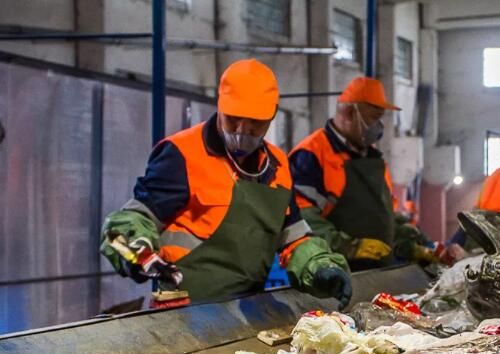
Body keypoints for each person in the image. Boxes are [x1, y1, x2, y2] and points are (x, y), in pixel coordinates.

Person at [99, 59, 352, 308]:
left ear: (272, 116)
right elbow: (134, 219)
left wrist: (319, 267)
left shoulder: (278, 165)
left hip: (249, 310)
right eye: (233, 119)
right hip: (184, 312)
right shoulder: (181, 154)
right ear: (219, 106)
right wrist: (138, 251)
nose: (242, 131)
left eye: (255, 124)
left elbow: (294, 237)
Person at [289, 76, 439, 271]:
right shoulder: (311, 155)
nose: (379, 126)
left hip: (375, 274)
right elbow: (302, 219)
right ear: (350, 113)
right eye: (374, 118)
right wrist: (350, 247)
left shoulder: (373, 158)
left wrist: (412, 243)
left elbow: (385, 217)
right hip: (332, 276)